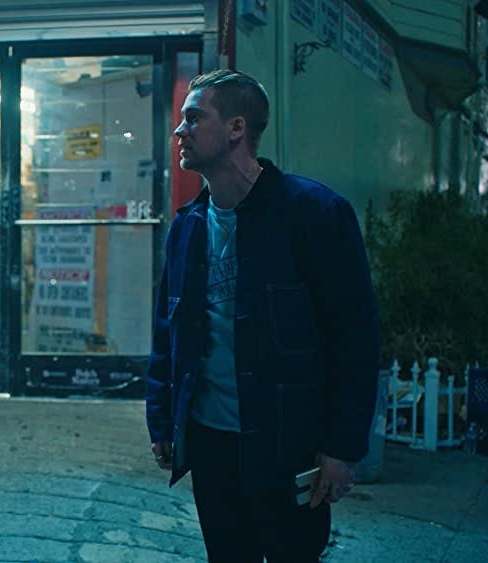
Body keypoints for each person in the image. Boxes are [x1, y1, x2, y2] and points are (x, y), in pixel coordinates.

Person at [145, 69, 379, 562]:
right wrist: (163, 420)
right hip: (211, 446)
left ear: (235, 128)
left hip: (287, 445)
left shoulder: (314, 213)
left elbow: (354, 337)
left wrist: (342, 448)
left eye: (193, 118)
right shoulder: (187, 226)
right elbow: (169, 332)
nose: (179, 132)